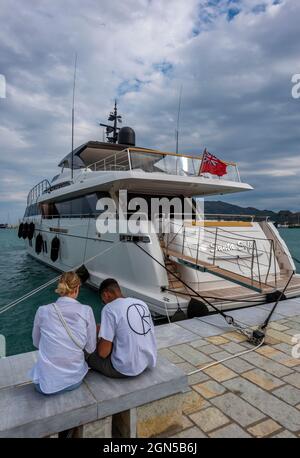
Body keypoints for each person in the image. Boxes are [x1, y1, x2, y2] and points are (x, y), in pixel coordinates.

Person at [30, 271, 96, 395]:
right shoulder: (86, 311)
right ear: (77, 289)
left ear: (60, 288)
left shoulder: (42, 311)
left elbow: (36, 343)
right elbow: (91, 348)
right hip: (74, 380)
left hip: (44, 384)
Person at [87, 278, 157, 378]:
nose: (105, 303)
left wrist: (98, 341)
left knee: (87, 353)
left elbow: (103, 353)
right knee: (100, 328)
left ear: (106, 294)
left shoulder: (109, 309)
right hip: (146, 362)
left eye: (103, 300)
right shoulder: (141, 303)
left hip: (124, 368)